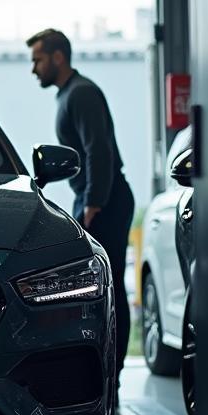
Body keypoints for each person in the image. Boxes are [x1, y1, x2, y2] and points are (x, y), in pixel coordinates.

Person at [27, 28, 135, 381]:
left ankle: (112, 375)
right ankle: (104, 372)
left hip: (106, 200)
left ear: (58, 57)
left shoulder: (82, 93)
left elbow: (97, 150)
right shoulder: (68, 94)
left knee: (110, 287)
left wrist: (93, 203)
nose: (34, 69)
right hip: (93, 197)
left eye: (38, 60)